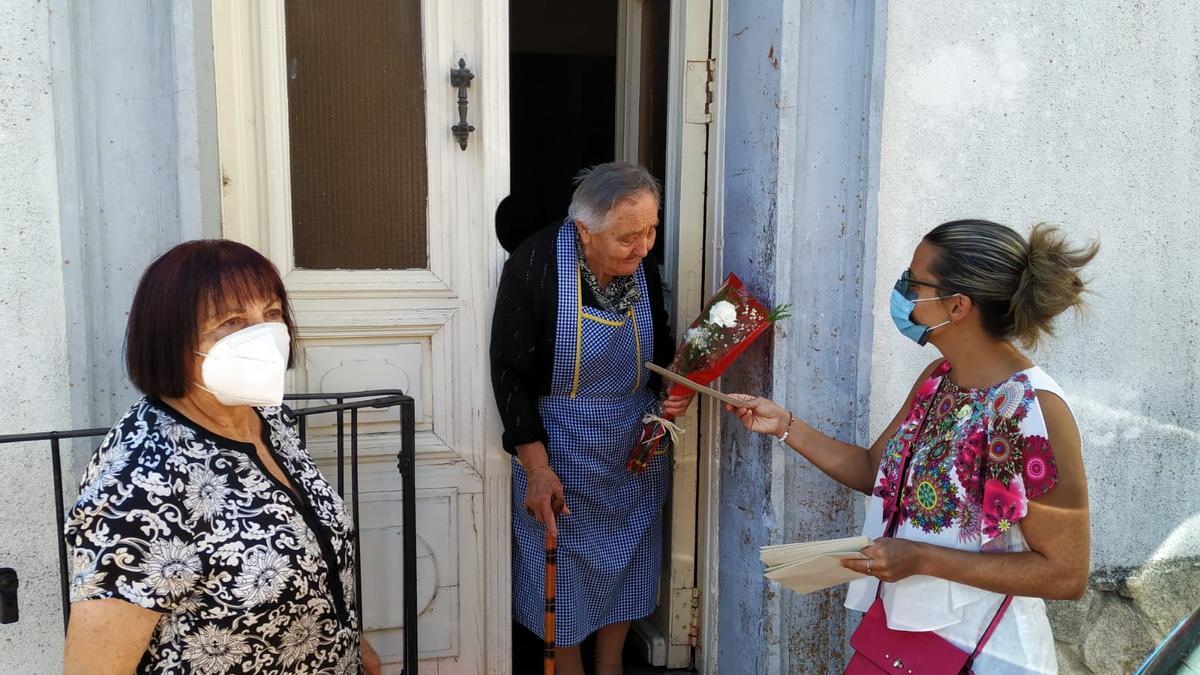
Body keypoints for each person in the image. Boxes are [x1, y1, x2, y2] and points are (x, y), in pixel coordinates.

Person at [727, 220, 1097, 673]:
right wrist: (784, 425)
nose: (903, 292)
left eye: (914, 282)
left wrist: (922, 558)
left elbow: (1065, 573)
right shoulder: (938, 378)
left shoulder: (1033, 410)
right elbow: (873, 470)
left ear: (958, 305)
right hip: (902, 639)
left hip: (986, 655)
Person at [62, 240, 381, 674]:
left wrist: (349, 641)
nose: (264, 335)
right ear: (170, 339)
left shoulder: (267, 418)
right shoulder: (141, 484)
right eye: (231, 321)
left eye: (271, 313)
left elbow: (305, 547)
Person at [490, 162, 695, 675]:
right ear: (584, 228)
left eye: (651, 230)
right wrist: (536, 469)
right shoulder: (535, 263)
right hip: (561, 443)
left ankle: (611, 668)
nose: (644, 246)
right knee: (564, 572)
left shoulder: (640, 268)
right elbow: (509, 374)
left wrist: (673, 387)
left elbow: (659, 349)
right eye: (628, 235)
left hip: (632, 443)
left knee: (627, 564)